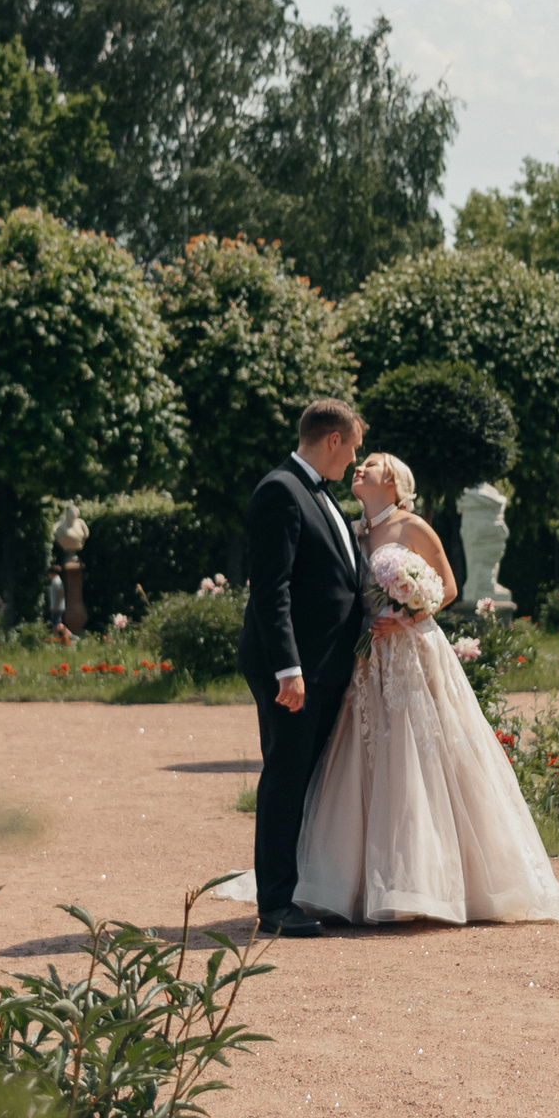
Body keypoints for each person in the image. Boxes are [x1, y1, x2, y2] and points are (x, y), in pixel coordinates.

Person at [225, 448, 559, 929]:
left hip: (412, 654)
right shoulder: (352, 529)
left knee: (417, 757)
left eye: (372, 463)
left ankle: (427, 878)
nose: (360, 465)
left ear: (394, 482)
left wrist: (407, 615)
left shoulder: (413, 526)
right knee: (362, 759)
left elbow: (448, 588)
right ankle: (352, 881)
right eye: (359, 459)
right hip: (365, 659)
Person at [233, 399, 375, 938]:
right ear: (333, 439)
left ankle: (296, 889)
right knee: (286, 779)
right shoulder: (280, 490)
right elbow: (272, 590)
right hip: (296, 671)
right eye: (353, 446)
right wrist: (287, 669)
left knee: (308, 781)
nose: (354, 459)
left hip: (325, 665)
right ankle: (274, 904)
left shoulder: (320, 494)